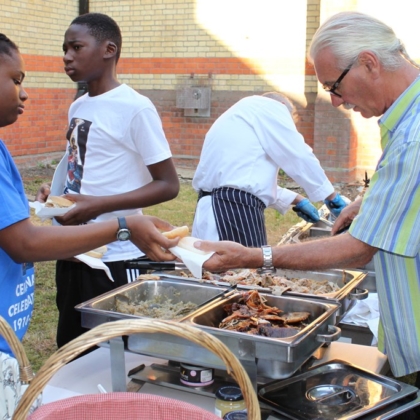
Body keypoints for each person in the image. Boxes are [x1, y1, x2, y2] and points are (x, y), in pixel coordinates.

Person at [198, 11, 420, 383]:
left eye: (334, 86)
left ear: (368, 63)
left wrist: (257, 256)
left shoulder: (412, 136)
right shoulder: (406, 126)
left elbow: (359, 248)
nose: (335, 101)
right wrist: (372, 201)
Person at [0, 32, 179, 357]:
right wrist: (117, 222)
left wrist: (65, 200)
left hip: (115, 258)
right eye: (15, 80)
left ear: (109, 50)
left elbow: (168, 183)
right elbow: (22, 241)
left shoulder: (136, 107)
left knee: (119, 358)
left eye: (76, 47)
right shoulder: (78, 106)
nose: (67, 56)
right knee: (74, 354)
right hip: (76, 252)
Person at [191, 92, 348, 247]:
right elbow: (297, 154)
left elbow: (243, 181)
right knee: (243, 271)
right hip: (233, 211)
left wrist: (297, 200)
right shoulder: (269, 108)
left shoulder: (240, 116)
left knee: (211, 270)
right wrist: (330, 195)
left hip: (209, 210)